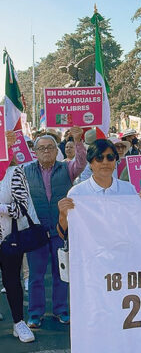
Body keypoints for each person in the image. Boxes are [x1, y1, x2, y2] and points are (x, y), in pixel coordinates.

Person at [24, 126, 86, 328]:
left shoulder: (67, 168)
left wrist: (78, 141)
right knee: (36, 276)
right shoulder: (25, 171)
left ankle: (62, 310)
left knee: (61, 274)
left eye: (50, 147)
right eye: (41, 148)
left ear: (56, 150)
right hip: (36, 231)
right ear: (35, 152)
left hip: (60, 230)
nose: (46, 151)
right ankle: (35, 313)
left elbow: (82, 163)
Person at [0, 133, 38, 343]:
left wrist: (1, 208)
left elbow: (22, 207)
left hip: (9, 238)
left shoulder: (15, 172)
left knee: (12, 280)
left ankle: (18, 323)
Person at [57, 139, 138, 238]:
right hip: (90, 252)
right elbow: (65, 235)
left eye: (110, 157)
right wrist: (63, 215)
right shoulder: (77, 193)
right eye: (99, 158)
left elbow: (137, 224)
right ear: (90, 163)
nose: (105, 162)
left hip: (123, 251)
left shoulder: (129, 190)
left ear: (115, 161)